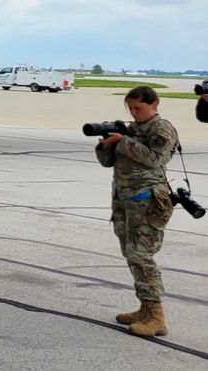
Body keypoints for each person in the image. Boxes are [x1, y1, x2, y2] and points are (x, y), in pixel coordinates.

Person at [95, 86, 179, 337]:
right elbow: (107, 162)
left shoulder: (162, 129)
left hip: (148, 201)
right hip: (125, 201)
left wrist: (123, 142)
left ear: (154, 104)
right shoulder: (132, 130)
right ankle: (145, 308)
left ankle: (156, 317)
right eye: (130, 108)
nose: (134, 113)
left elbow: (154, 159)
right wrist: (106, 145)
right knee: (131, 254)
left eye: (138, 108)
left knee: (142, 256)